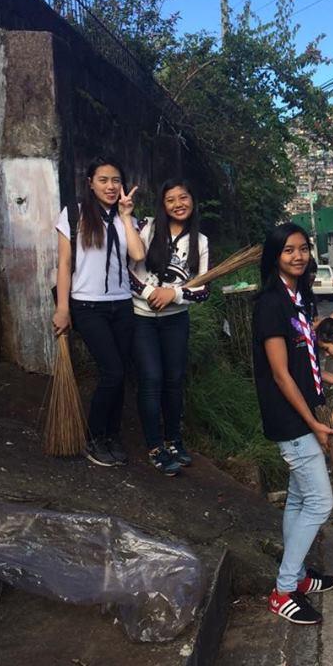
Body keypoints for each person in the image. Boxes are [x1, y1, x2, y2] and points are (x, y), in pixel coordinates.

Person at [252, 223, 333, 625]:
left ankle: (296, 576)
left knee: (299, 497)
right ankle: (282, 592)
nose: (298, 256)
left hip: (303, 409)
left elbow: (305, 357)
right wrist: (313, 423)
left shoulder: (299, 297)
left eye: (303, 249)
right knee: (320, 501)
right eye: (288, 250)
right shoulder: (270, 304)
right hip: (288, 415)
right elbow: (281, 374)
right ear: (274, 256)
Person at [52, 157, 146, 467]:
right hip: (87, 306)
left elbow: (137, 254)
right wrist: (63, 309)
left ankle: (111, 435)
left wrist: (126, 214)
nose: (110, 186)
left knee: (121, 374)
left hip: (121, 305)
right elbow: (65, 264)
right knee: (112, 372)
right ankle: (94, 436)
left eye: (116, 180)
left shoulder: (126, 218)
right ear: (90, 182)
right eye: (103, 180)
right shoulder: (75, 213)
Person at [128, 179, 210, 476]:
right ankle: (154, 446)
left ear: (192, 200)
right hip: (142, 319)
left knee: (174, 380)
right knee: (151, 379)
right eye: (171, 199)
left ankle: (174, 440)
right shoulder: (147, 228)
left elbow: (203, 289)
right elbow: (126, 273)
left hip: (177, 320)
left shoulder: (200, 241)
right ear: (163, 205)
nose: (178, 204)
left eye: (183, 197)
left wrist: (173, 294)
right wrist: (152, 294)